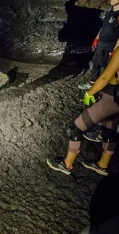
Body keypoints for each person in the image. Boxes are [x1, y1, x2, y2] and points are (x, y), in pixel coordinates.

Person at [47, 45, 119, 176]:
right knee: (110, 131)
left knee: (77, 127)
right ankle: (102, 165)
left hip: (110, 98)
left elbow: (105, 78)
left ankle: (67, 164)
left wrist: (89, 93)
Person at [78, 0, 119, 91]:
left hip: (111, 45)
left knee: (108, 67)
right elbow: (104, 26)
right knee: (94, 63)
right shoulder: (110, 10)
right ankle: (92, 83)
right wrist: (96, 38)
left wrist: (116, 49)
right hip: (102, 43)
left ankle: (107, 87)